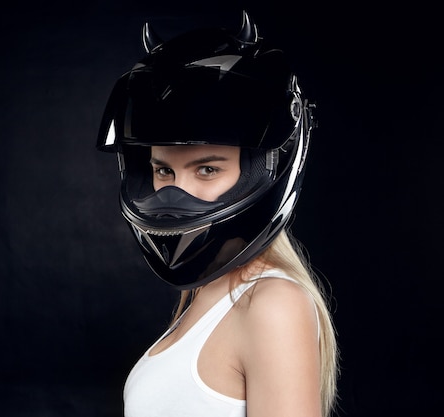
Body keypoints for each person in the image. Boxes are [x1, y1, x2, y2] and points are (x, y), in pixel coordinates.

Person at [95, 11, 338, 417]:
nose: (178, 193)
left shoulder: (271, 304)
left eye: (207, 169)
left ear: (261, 169)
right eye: (163, 170)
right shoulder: (204, 290)